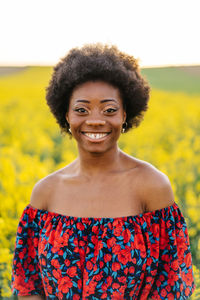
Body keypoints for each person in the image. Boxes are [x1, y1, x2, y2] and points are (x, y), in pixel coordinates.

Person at [11, 43, 196, 299]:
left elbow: (173, 287)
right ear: (66, 115)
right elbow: (28, 286)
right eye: (81, 109)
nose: (95, 120)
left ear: (125, 114)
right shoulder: (45, 192)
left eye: (109, 110)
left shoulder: (151, 186)